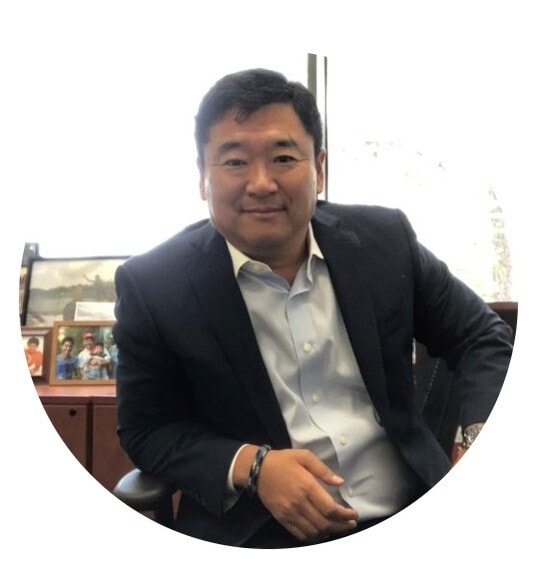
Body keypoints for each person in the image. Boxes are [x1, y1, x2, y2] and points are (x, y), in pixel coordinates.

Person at [113, 68, 513, 549]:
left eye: (283, 157)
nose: (261, 183)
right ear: (202, 176)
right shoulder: (154, 284)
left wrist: (475, 435)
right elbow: (147, 429)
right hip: (260, 536)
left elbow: (481, 336)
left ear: (318, 168)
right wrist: (252, 466)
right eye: (235, 161)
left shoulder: (384, 242)